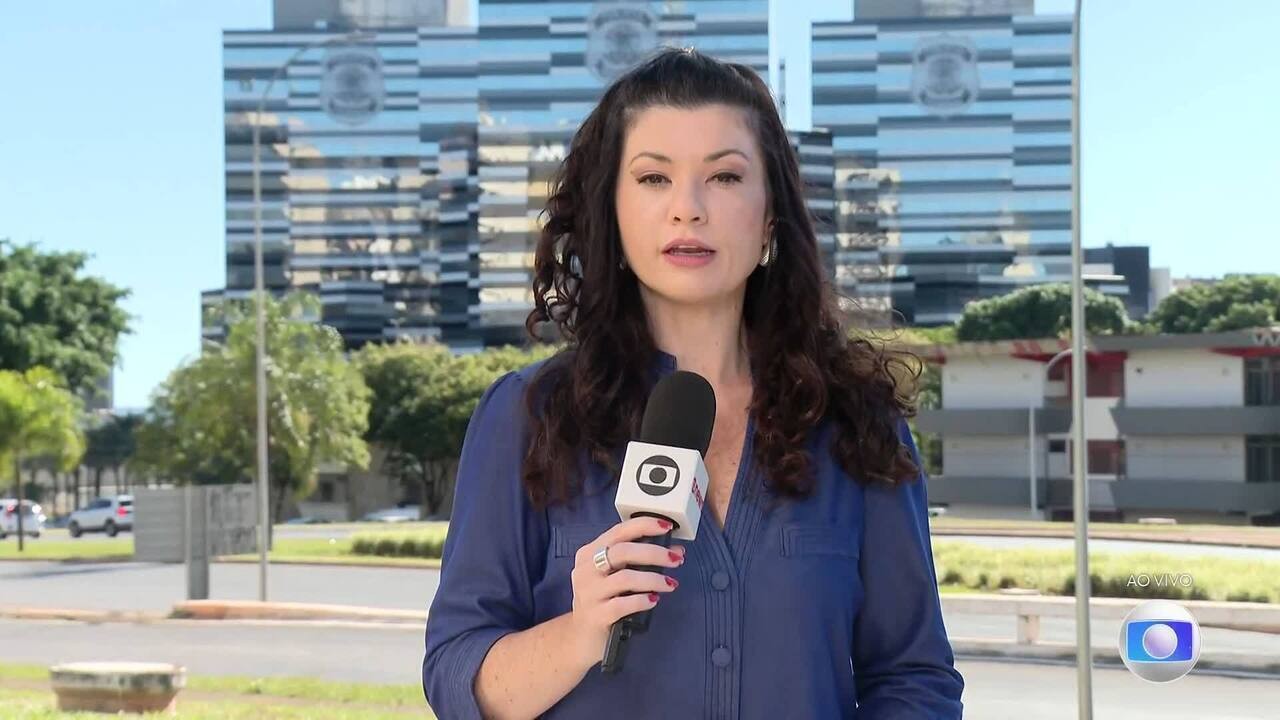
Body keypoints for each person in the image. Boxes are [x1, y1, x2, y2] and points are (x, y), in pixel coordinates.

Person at [422, 46, 964, 719]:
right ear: (612, 212)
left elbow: (914, 678)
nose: (689, 208)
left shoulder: (859, 423)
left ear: (770, 216)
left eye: (725, 177)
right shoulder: (526, 416)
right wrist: (580, 633)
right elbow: (456, 675)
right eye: (654, 178)